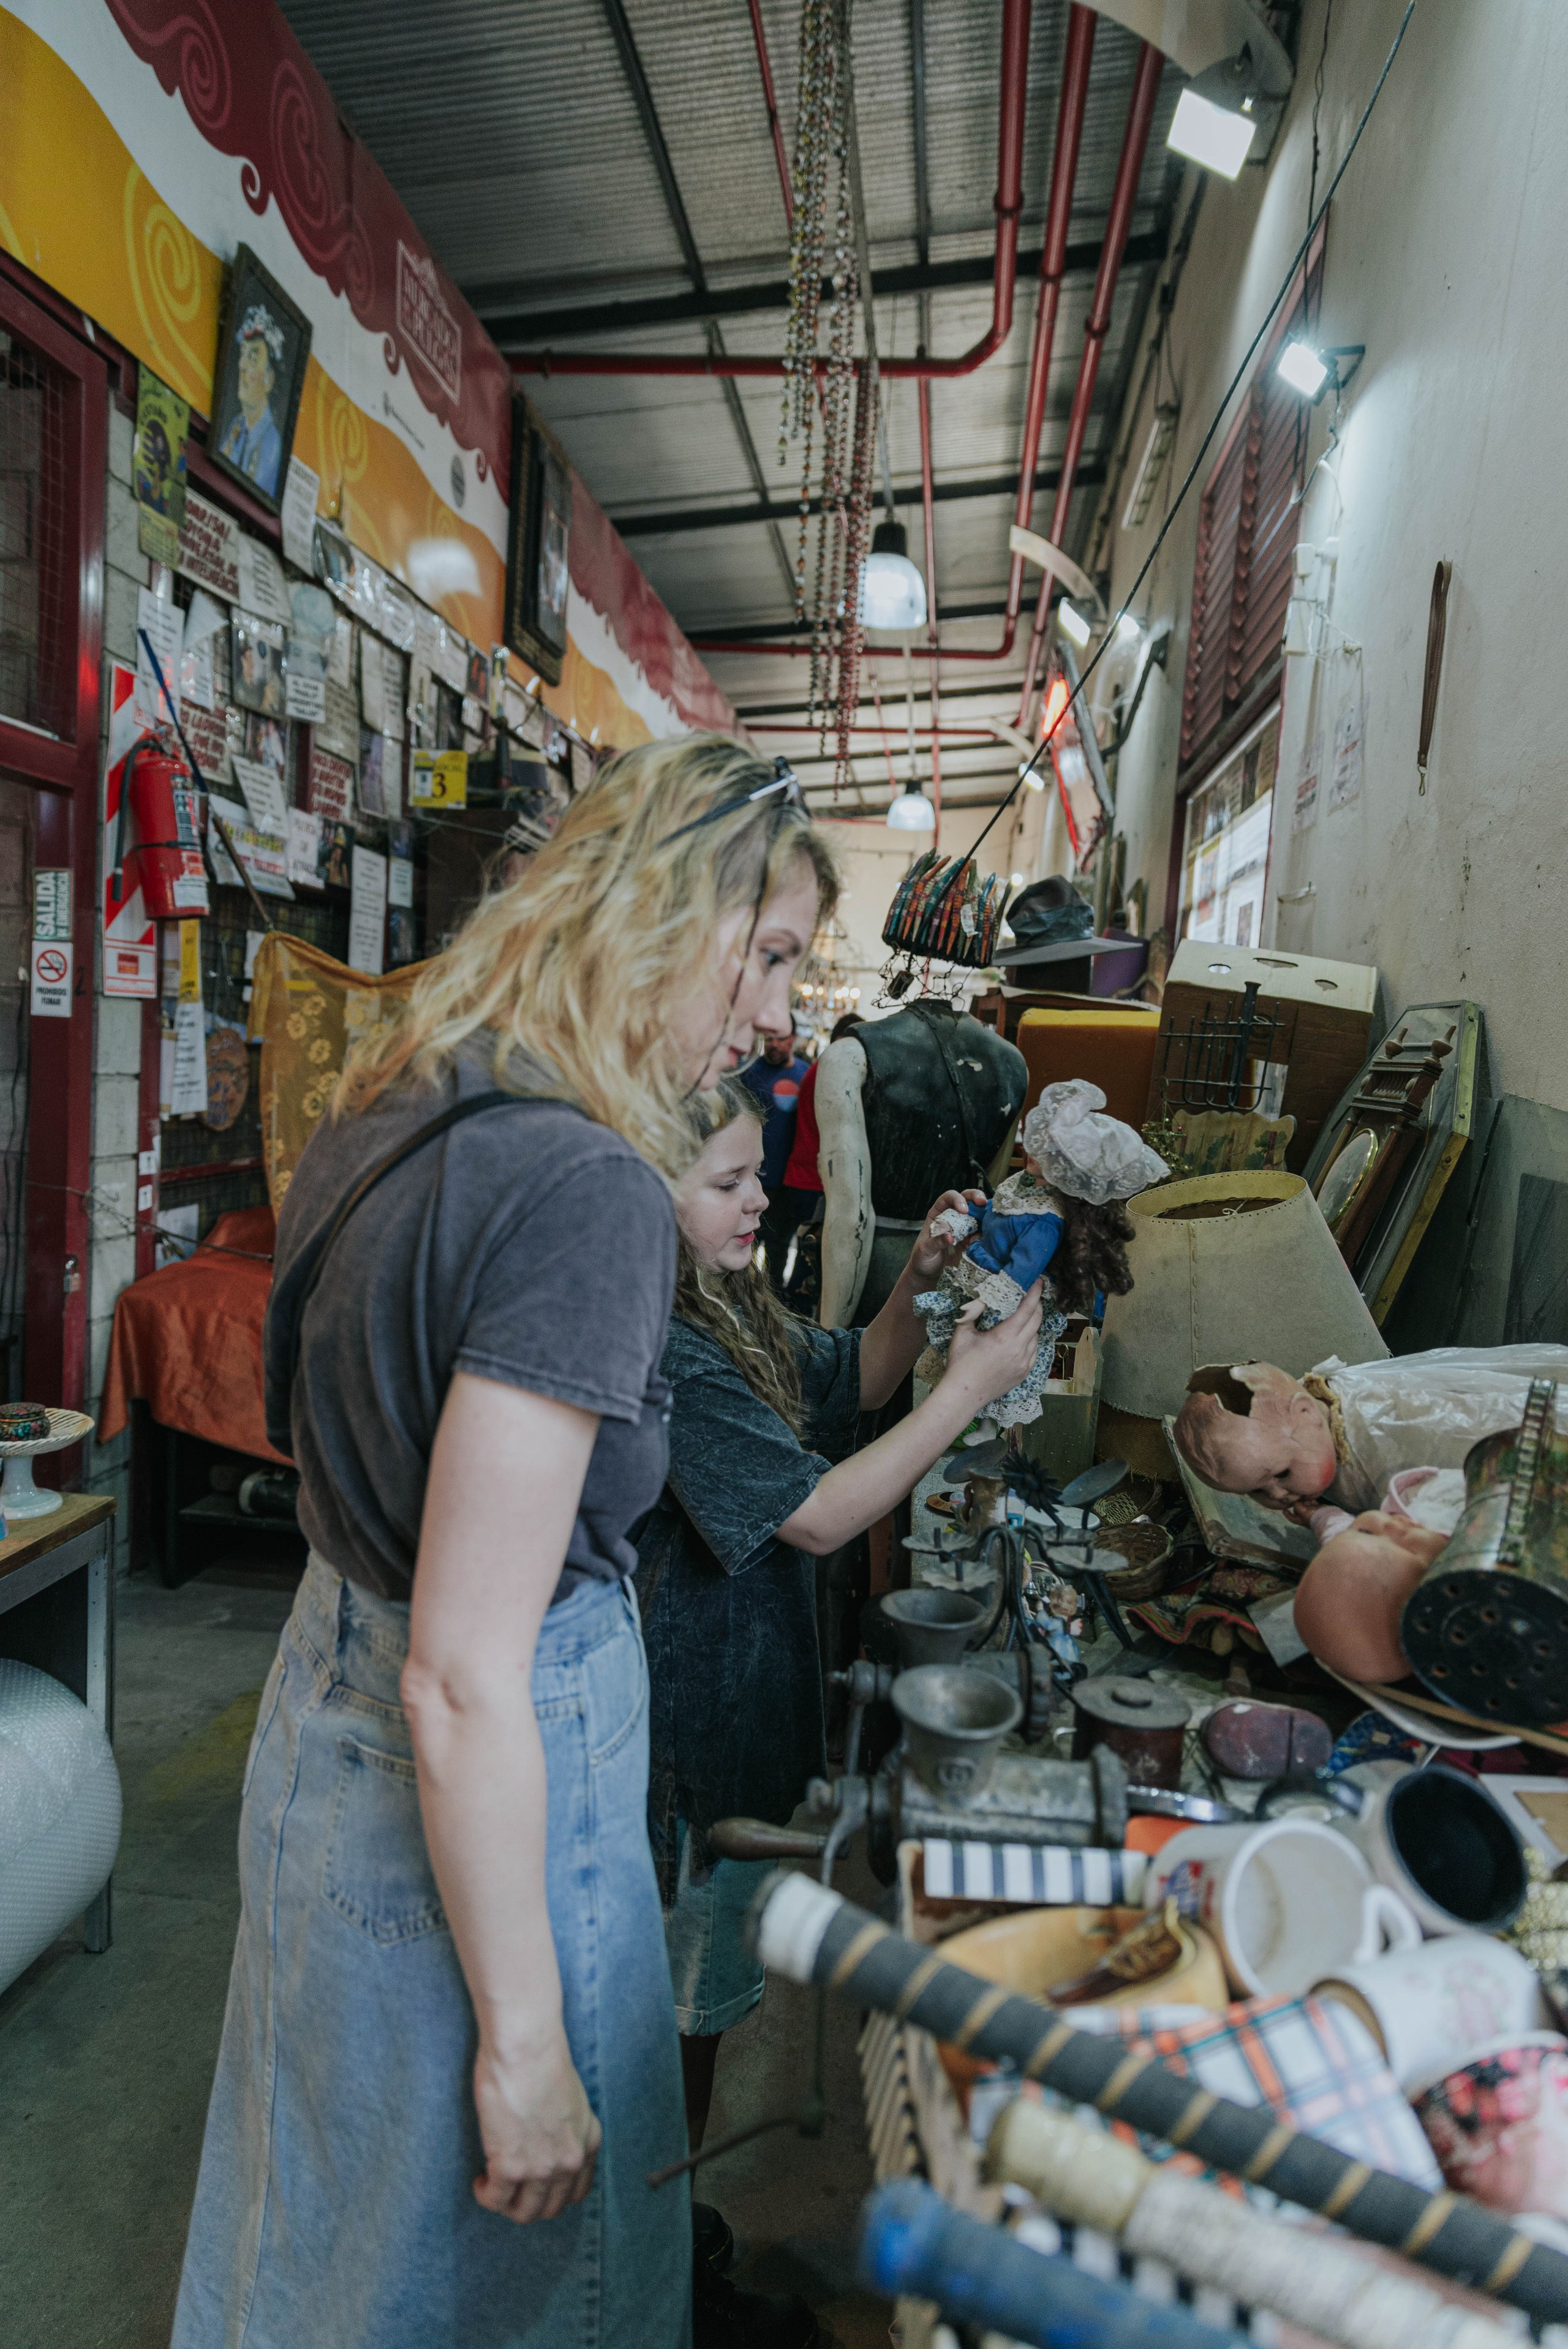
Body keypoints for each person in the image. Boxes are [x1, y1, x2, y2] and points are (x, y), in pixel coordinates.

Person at [171, 737, 837, 2349]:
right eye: (770, 955)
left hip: (330, 1705)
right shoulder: (592, 1185)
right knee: (501, 2267)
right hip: (476, 1766)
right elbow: (465, 1675)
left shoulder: (416, 1084)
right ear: (665, 906)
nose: (777, 1017)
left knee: (321, 2239)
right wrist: (526, 2042)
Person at [635, 1080, 1044, 2345]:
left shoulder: (726, 1292)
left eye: (759, 1173)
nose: (762, 1197)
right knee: (667, 2023)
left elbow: (848, 1381)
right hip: (684, 1716)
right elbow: (815, 1513)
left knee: (700, 2006)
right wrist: (969, 1389)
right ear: (644, 1193)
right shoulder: (662, 1337)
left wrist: (911, 1284)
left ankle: (661, 2235)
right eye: (728, 1182)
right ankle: (645, 2273)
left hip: (751, 1690)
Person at [740, 1021, 812, 1291]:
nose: (774, 1045)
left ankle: (773, 1302)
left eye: (780, 1039)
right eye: (769, 1039)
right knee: (746, 1241)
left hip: (787, 1181)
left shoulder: (806, 1076)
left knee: (780, 1246)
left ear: (793, 1039)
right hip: (751, 1176)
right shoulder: (748, 1073)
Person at [220, 303, 285, 497]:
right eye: (243, 355)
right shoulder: (237, 426)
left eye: (253, 359)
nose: (242, 366)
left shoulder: (271, 444)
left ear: (269, 380)